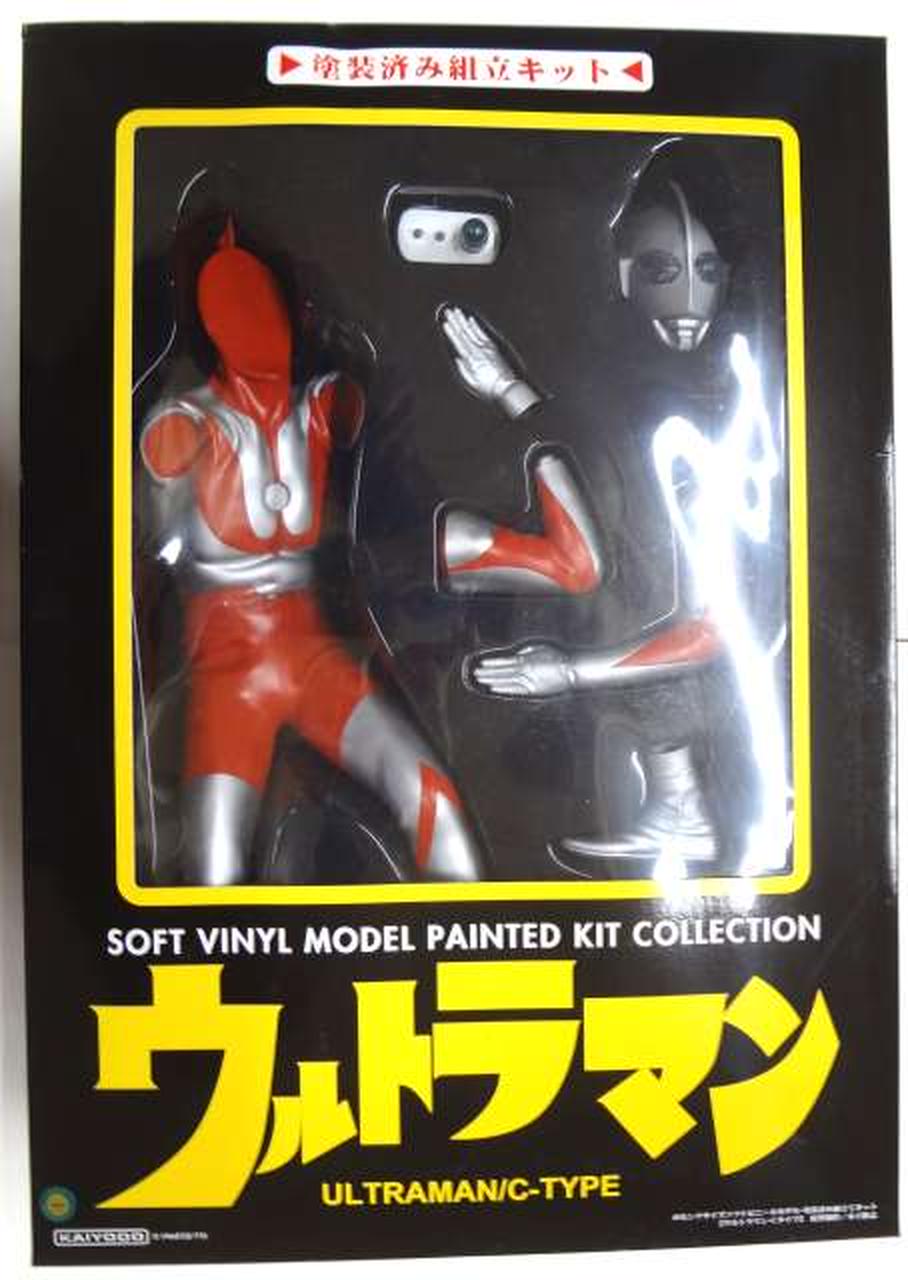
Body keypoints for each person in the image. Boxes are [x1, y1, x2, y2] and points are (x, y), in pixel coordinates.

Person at [139, 221, 485, 885]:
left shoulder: (329, 404)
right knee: (212, 868)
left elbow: (393, 476)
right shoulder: (183, 426)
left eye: (267, 304)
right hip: (229, 672)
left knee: (430, 796)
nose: (258, 323)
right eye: (238, 306)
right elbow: (143, 561)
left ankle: (473, 934)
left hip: (316, 654)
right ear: (210, 322)